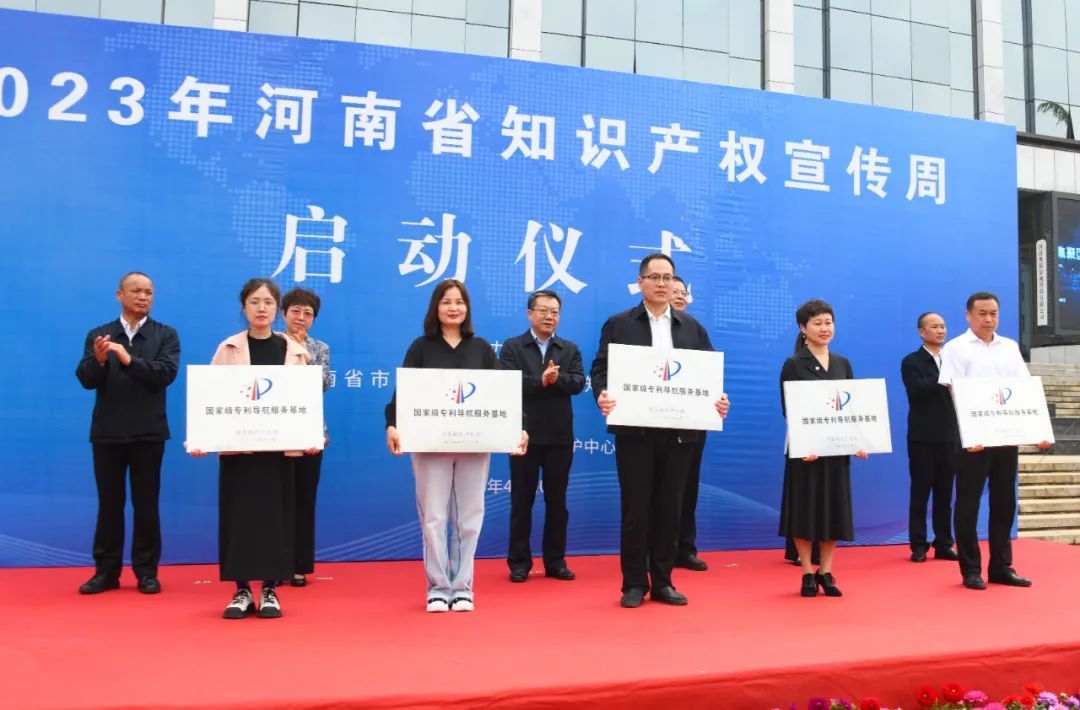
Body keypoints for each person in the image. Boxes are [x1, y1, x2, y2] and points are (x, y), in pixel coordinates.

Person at [590, 254, 730, 608]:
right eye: (654, 277)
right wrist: (602, 394)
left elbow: (708, 375)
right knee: (636, 510)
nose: (662, 283)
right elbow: (601, 368)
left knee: (670, 509)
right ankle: (634, 583)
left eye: (668, 277)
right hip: (635, 431)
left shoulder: (692, 328)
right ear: (640, 282)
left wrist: (718, 400)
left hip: (680, 433)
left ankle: (663, 581)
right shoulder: (620, 324)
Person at [385, 279, 528, 613]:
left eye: (459, 302)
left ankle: (462, 587)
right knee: (433, 518)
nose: (453, 308)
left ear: (467, 309)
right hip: (429, 444)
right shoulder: (421, 347)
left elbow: (501, 394)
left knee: (469, 518)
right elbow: (403, 393)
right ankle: (438, 587)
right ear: (435, 307)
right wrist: (392, 423)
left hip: (474, 445)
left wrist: (519, 427)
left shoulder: (481, 348)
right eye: (446, 301)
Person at [191, 278, 318, 620]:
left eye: (268, 302)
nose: (262, 308)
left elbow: (305, 401)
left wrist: (309, 435)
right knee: (239, 518)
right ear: (244, 307)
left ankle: (270, 589)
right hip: (239, 452)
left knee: (276, 519)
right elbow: (209, 397)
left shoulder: (293, 350)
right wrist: (202, 438)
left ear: (277, 309)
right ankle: (242, 590)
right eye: (254, 302)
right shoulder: (228, 348)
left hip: (279, 453)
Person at [937, 292, 1052, 590]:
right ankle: (971, 569)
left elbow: (1024, 390)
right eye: (982, 314)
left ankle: (1001, 566)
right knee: (968, 504)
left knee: (1004, 503)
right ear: (968, 315)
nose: (989, 319)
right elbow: (953, 392)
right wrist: (970, 433)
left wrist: (1038, 431)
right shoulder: (955, 348)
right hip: (972, 441)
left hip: (1005, 437)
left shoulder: (1010, 347)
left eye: (993, 313)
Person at [75, 272, 180, 595]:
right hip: (107, 434)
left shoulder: (165, 334)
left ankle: (146, 572)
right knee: (109, 505)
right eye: (136, 290)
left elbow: (165, 374)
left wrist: (127, 359)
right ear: (119, 295)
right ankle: (106, 572)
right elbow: (86, 379)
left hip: (148, 434)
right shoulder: (100, 334)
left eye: (149, 292)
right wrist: (99, 360)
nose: (143, 296)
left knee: (146, 506)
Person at [779, 299, 867, 598]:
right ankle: (807, 571)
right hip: (805, 452)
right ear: (803, 328)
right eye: (817, 323)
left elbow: (851, 408)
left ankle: (826, 571)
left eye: (828, 322)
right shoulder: (794, 364)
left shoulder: (843, 363)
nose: (824, 328)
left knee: (834, 510)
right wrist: (807, 443)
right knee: (804, 510)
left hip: (835, 450)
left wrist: (858, 441)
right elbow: (789, 409)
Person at [499, 289, 585, 583]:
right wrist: (541, 381)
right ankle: (519, 562)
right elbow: (507, 383)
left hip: (559, 436)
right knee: (521, 502)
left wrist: (557, 379)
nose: (550, 316)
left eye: (555, 312)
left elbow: (578, 382)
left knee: (557, 502)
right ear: (529, 313)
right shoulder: (513, 347)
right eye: (543, 311)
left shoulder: (568, 348)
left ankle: (555, 561)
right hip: (522, 434)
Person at [281, 287, 331, 588]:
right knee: (276, 501)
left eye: (308, 313)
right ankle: (275, 563)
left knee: (303, 500)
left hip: (309, 433)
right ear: (284, 313)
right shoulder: (270, 343)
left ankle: (299, 565)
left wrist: (305, 355)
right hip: (273, 433)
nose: (301, 317)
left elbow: (322, 384)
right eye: (295, 311)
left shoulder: (320, 347)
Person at [901, 312, 959, 563]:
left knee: (945, 494)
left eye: (943, 326)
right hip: (922, 437)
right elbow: (917, 390)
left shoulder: (953, 360)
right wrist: (945, 380)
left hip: (950, 436)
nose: (940, 330)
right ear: (921, 332)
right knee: (920, 493)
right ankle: (918, 544)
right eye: (934, 326)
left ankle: (944, 543)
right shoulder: (911, 361)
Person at [669, 276, 708, 572]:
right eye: (675, 291)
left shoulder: (694, 328)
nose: (681, 296)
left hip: (690, 420)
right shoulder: (639, 327)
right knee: (657, 490)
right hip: (651, 422)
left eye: (684, 293)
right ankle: (656, 550)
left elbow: (709, 370)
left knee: (687, 485)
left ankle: (684, 547)